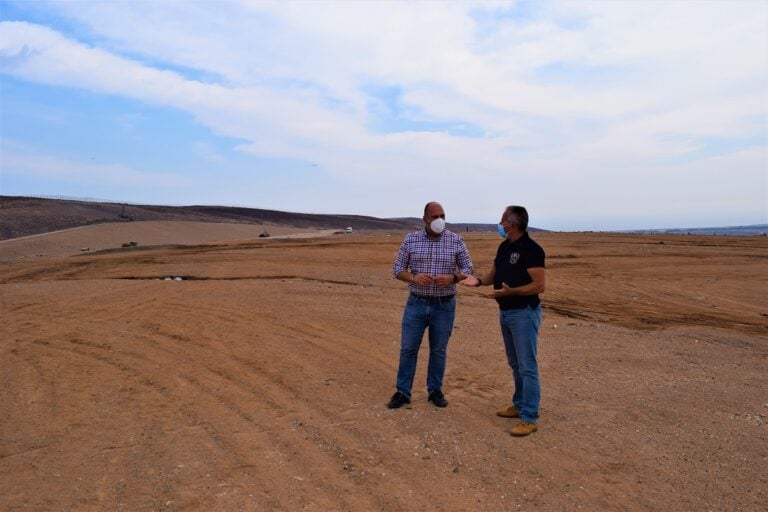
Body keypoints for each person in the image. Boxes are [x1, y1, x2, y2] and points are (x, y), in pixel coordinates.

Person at [460, 206, 545, 436]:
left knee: (528, 366)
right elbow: (493, 275)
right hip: (506, 312)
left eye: (502, 220)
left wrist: (512, 292)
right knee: (515, 363)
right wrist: (476, 281)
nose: (500, 224)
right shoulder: (503, 246)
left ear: (512, 224)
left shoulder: (532, 249)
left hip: (524, 313)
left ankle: (529, 417)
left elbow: (539, 285)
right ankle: (519, 405)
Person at [387, 201, 474, 409]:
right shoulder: (411, 240)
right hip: (416, 303)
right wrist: (414, 278)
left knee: (439, 350)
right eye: (435, 217)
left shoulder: (456, 240)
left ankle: (435, 390)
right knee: (408, 348)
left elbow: (468, 268)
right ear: (425, 219)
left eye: (442, 216)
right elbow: (398, 269)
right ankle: (402, 392)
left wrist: (453, 278)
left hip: (444, 305)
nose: (439, 220)